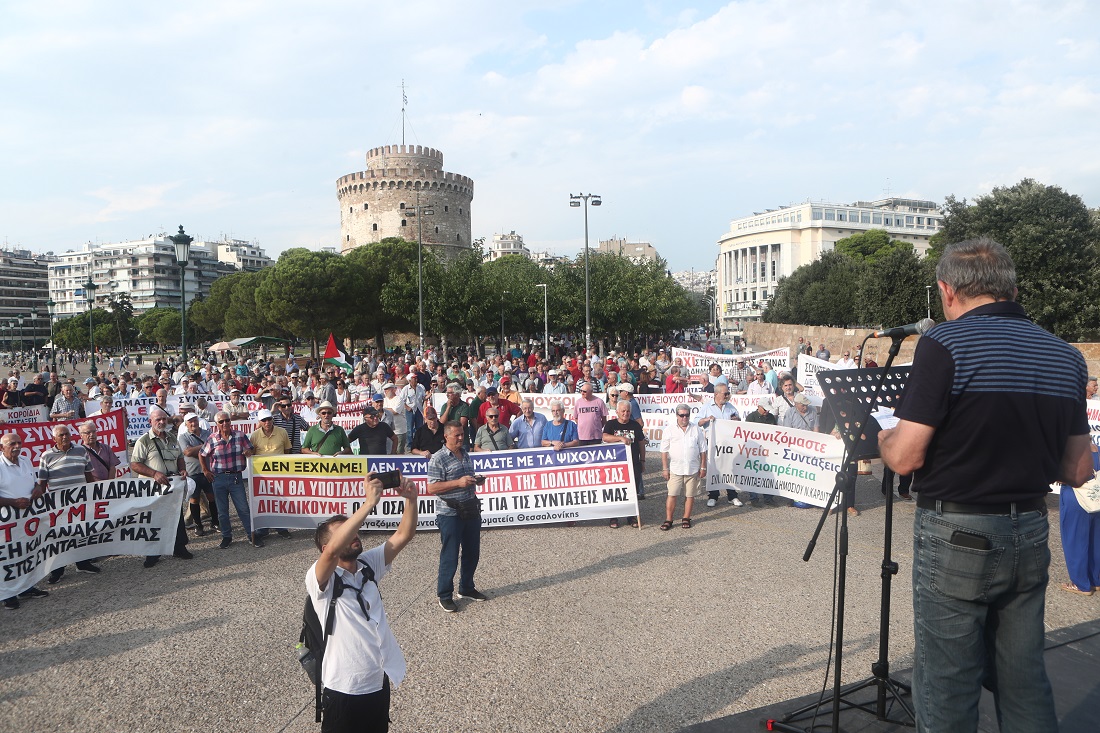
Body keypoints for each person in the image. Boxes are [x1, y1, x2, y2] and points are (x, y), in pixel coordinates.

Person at [878, 238, 1093, 733]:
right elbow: (1079, 470)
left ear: (946, 291)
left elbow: (908, 457)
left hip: (957, 532)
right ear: (1012, 289)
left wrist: (885, 438)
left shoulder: (943, 345)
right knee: (1023, 678)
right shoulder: (1065, 355)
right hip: (1029, 531)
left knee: (947, 685)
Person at [308, 473, 419, 731]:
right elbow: (335, 550)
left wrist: (411, 501)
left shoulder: (368, 564)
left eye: (353, 529)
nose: (354, 534)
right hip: (344, 688)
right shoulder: (320, 579)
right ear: (325, 548)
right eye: (346, 532)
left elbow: (403, 535)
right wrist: (368, 504)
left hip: (378, 682)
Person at [426, 421, 488, 613]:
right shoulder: (438, 458)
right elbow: (432, 488)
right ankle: (444, 595)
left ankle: (466, 588)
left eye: (462, 434)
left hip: (470, 509)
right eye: (457, 435)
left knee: (472, 553)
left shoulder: (466, 454)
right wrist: (458, 483)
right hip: (450, 513)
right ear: (446, 436)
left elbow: (464, 481)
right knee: (450, 555)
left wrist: (475, 481)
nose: (461, 438)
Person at [130, 408, 194, 567]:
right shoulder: (143, 441)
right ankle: (152, 553)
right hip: (153, 488)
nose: (161, 422)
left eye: (164, 419)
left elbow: (179, 457)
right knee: (154, 519)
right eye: (158, 419)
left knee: (176, 517)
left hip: (172, 486)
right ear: (150, 422)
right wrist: (154, 473)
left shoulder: (172, 438)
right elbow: (135, 464)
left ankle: (179, 547)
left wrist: (182, 469)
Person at [1, 434, 49, 609]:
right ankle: (8, 594)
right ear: (2, 448)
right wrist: (13, 502)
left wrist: (37, 488)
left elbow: (35, 482)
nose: (16, 446)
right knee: (8, 558)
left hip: (27, 520)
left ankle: (26, 587)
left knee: (27, 553)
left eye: (19, 442)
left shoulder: (26, 461)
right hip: (7, 523)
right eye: (11, 443)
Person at [199, 410, 259, 550]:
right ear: (217, 424)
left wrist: (248, 453)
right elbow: (202, 454)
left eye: (227, 420)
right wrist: (205, 470)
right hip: (218, 478)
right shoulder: (212, 438)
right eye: (221, 421)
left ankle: (251, 535)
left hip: (236, 477)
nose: (225, 423)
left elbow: (251, 449)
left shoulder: (240, 435)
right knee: (222, 510)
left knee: (243, 509)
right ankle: (226, 536)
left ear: (230, 421)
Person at [659, 403, 707, 531]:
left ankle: (686, 518)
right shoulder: (669, 430)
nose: (684, 418)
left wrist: (703, 467)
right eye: (682, 415)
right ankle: (669, 519)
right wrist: (665, 468)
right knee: (672, 494)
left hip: (692, 468)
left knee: (690, 495)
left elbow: (703, 449)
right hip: (675, 469)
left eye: (687, 415)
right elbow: (664, 451)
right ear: (677, 415)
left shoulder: (696, 429)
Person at [696, 384, 744, 507]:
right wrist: (706, 419)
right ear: (716, 394)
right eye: (725, 393)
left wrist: (736, 420)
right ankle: (713, 495)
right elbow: (697, 422)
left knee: (729, 468)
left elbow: (738, 421)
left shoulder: (730, 407)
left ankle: (732, 495)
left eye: (728, 393)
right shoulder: (707, 407)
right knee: (713, 469)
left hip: (727, 443)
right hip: (712, 443)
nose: (727, 396)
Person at [603, 399, 647, 527]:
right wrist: (620, 438)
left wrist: (642, 460)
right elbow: (605, 437)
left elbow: (641, 444)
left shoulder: (635, 425)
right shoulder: (611, 424)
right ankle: (614, 516)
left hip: (633, 463)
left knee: (632, 490)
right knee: (615, 490)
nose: (625, 413)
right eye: (623, 411)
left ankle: (631, 516)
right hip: (615, 464)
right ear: (617, 412)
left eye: (628, 411)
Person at [179, 411, 219, 537]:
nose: (193, 423)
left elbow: (213, 447)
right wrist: (205, 445)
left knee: (212, 496)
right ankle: (198, 525)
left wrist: (196, 448)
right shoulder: (183, 437)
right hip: (192, 472)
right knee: (194, 499)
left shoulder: (207, 433)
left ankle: (215, 522)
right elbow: (187, 452)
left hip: (208, 469)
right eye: (190, 421)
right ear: (186, 424)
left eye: (195, 420)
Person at [571, 381, 608, 446]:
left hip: (596, 436)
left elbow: (604, 418)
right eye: (581, 391)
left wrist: (597, 426)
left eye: (584, 391)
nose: (582, 393)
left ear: (591, 392)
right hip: (582, 437)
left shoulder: (599, 401)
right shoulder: (578, 402)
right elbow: (576, 418)